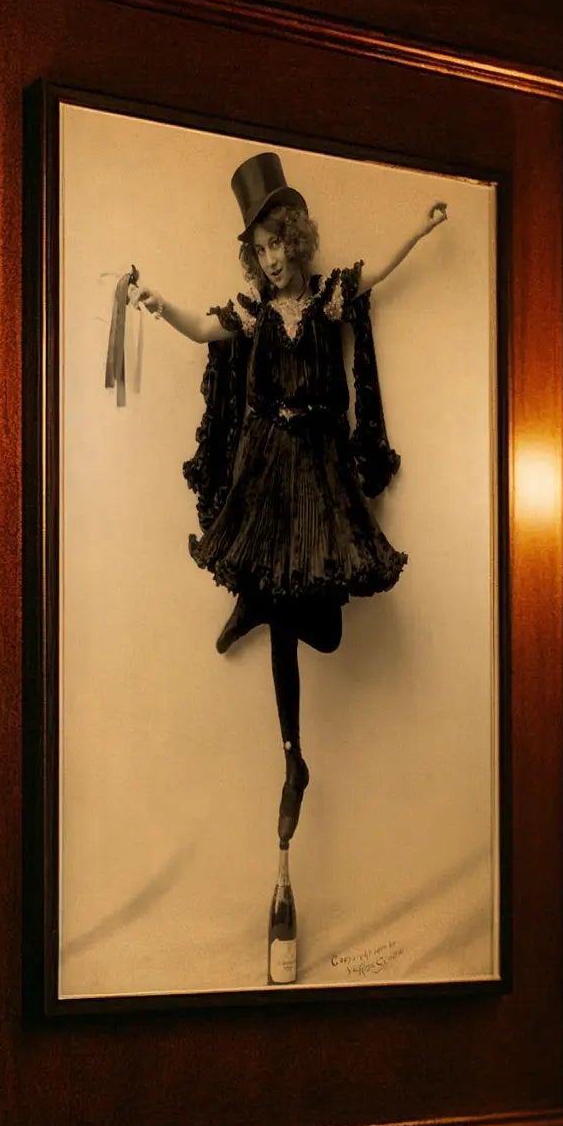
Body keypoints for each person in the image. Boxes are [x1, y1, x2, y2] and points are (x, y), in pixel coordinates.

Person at [127, 153, 447, 844]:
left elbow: (377, 273)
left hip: (321, 474)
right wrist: (159, 306)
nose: (272, 260)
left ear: (296, 240)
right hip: (269, 471)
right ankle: (293, 760)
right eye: (260, 249)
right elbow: (203, 328)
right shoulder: (254, 313)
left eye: (278, 244)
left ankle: (257, 606)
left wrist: (420, 231)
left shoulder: (329, 296)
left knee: (322, 629)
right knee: (280, 607)